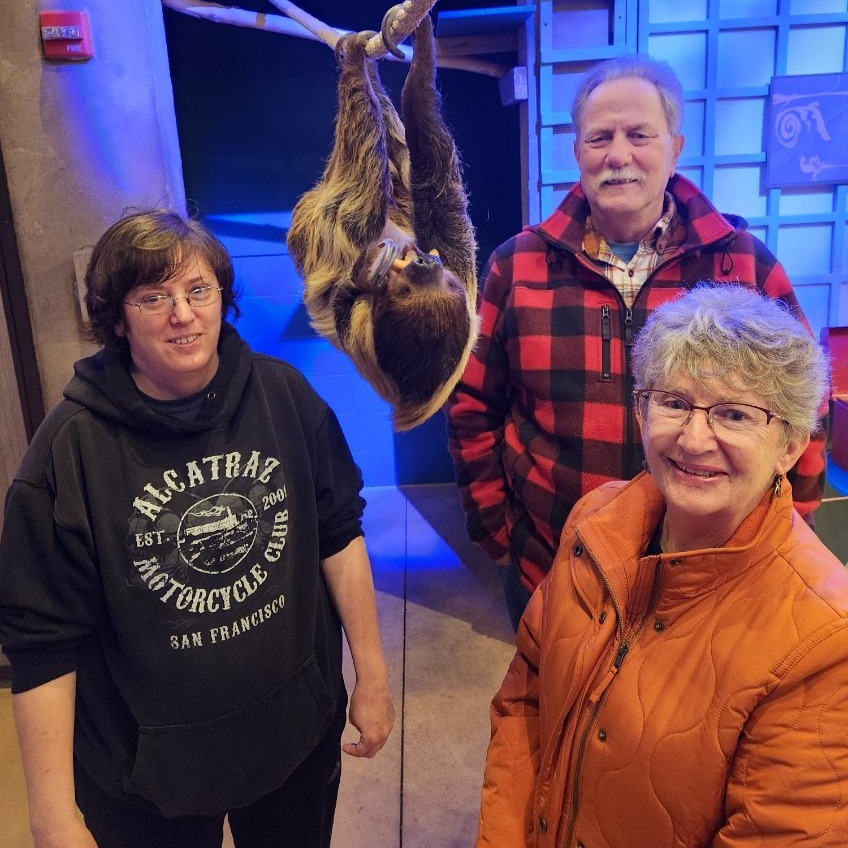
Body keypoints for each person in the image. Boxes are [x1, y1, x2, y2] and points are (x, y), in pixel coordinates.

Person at [0, 210, 394, 848]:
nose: (182, 314)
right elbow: (43, 644)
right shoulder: (67, 456)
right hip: (147, 782)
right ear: (118, 319)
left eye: (197, 290)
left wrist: (372, 678)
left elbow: (338, 534)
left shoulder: (285, 397)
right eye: (153, 297)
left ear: (221, 297)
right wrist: (52, 814)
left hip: (292, 738)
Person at [445, 53, 827, 632]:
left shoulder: (742, 263)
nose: (618, 155)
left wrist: (787, 530)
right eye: (599, 137)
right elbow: (472, 408)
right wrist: (496, 531)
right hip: (552, 564)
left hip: (706, 575)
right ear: (578, 154)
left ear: (674, 148)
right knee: (552, 710)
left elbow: (807, 414)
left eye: (639, 135)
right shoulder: (516, 266)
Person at [475, 283, 848, 847]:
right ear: (641, 412)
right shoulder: (596, 523)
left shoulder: (824, 641)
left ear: (791, 445)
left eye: (734, 414)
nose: (695, 439)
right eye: (673, 402)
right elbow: (526, 704)